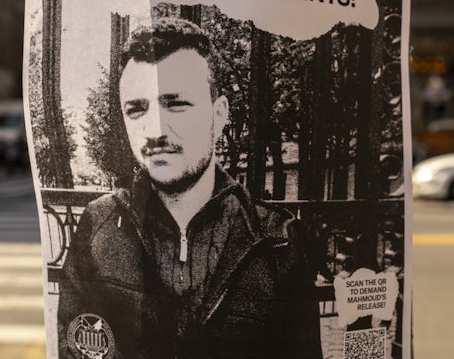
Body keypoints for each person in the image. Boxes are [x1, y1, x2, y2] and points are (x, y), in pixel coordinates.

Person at [57, 18, 323, 359]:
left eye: (176, 104)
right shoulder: (98, 226)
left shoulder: (278, 242)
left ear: (220, 114)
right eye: (137, 109)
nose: (155, 130)